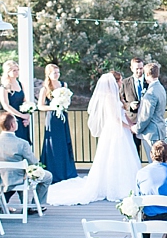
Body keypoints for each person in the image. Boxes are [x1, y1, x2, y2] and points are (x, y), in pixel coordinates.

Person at [47, 72, 139, 205]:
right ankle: (113, 187)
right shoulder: (109, 98)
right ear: (114, 82)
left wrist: (130, 125)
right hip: (115, 131)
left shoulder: (115, 96)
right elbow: (115, 118)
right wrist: (129, 127)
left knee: (122, 157)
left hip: (121, 130)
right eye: (119, 81)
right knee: (113, 157)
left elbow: (122, 115)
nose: (121, 83)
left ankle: (123, 184)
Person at [0, 112, 52, 212]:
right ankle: (35, 206)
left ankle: (5, 203)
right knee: (48, 176)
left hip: (0, 178)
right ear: (13, 125)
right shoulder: (22, 143)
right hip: (20, 178)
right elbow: (34, 162)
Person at [38, 64, 78, 183]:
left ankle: (66, 170)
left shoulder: (63, 85)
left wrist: (63, 104)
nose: (57, 75)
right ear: (48, 74)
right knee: (53, 144)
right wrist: (53, 107)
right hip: (52, 118)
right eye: (54, 73)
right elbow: (40, 106)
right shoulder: (45, 88)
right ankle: (53, 171)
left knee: (64, 143)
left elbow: (68, 101)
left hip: (62, 117)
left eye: (58, 72)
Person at [135, 140, 167, 221]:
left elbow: (138, 194)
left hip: (148, 214)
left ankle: (144, 234)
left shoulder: (141, 173)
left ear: (151, 154)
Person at [134, 63, 167, 151]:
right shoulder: (161, 88)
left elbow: (146, 116)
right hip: (160, 131)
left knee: (154, 161)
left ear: (147, 74)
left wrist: (136, 129)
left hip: (151, 134)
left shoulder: (151, 92)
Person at [0, 60, 32, 145]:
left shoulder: (20, 84)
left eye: (17, 70)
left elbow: (24, 101)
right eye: (14, 70)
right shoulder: (4, 87)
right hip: (12, 118)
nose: (17, 72)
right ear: (8, 72)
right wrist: (21, 116)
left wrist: (27, 116)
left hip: (23, 117)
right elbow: (6, 105)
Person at [119, 57, 146, 159]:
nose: (139, 71)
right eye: (137, 69)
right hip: (133, 120)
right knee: (135, 149)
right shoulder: (125, 83)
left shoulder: (148, 82)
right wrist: (130, 105)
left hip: (147, 120)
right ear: (131, 68)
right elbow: (121, 100)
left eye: (141, 68)